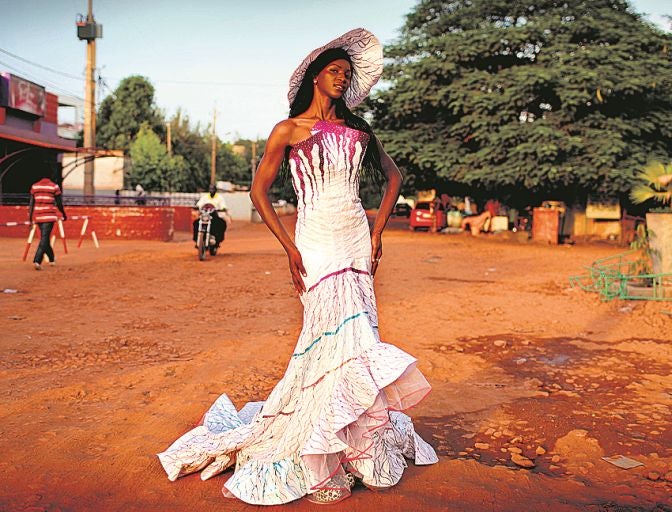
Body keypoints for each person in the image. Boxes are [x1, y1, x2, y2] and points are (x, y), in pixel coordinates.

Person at [158, 28, 437, 506]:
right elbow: (258, 192)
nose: (341, 78)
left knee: (361, 338)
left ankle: (354, 449)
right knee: (322, 339)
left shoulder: (359, 130)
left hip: (353, 238)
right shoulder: (288, 131)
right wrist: (289, 247)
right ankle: (316, 453)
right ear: (314, 76)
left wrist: (376, 232)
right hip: (314, 241)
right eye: (334, 71)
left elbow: (394, 177)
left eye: (347, 74)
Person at [28, 175, 67, 270]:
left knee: (44, 238)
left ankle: (51, 258)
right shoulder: (54, 186)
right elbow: (59, 203)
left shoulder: (35, 186)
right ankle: (37, 260)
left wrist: (30, 218)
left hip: (38, 216)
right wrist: (63, 214)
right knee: (44, 239)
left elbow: (31, 203)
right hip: (49, 216)